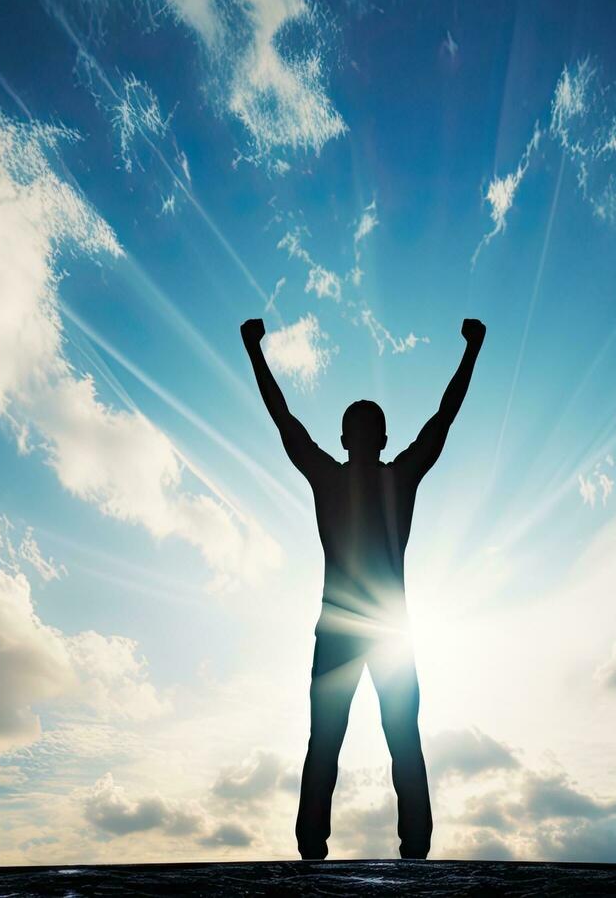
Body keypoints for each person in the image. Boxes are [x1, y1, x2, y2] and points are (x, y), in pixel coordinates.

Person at [240, 316, 486, 861]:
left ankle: (399, 851)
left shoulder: (375, 476)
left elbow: (444, 417)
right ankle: (325, 849)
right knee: (351, 742)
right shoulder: (370, 477)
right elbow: (283, 418)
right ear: (357, 438)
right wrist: (253, 352)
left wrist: (472, 352)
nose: (365, 435)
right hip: (365, 630)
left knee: (378, 741)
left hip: (372, 631)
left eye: (367, 426)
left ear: (358, 439)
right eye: (362, 426)